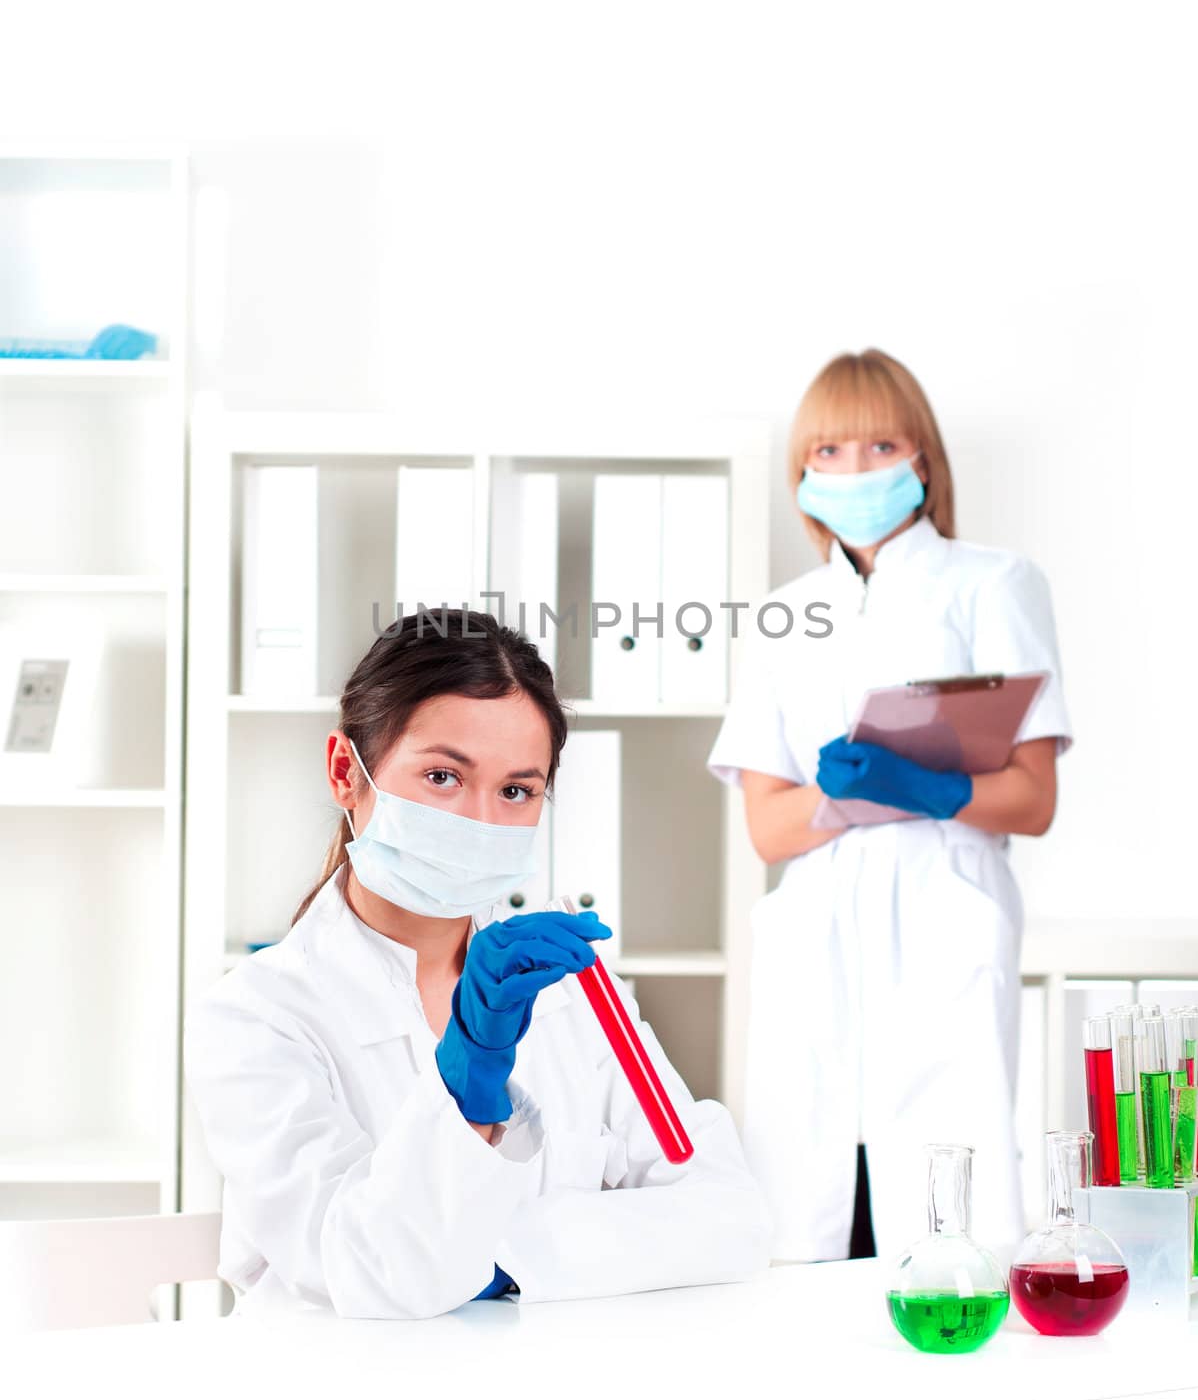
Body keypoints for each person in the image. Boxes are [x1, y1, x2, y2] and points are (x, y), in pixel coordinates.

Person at [185, 609, 771, 1319]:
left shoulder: (582, 990)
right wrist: (466, 1099)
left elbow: (732, 1219)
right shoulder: (257, 1018)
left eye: (516, 790)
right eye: (441, 776)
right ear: (347, 771)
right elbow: (372, 1272)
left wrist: (495, 1253)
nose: (478, 822)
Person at [706, 348, 1071, 1262]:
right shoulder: (786, 614)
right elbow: (766, 825)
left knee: (952, 1195)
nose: (855, 470)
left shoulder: (995, 582)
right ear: (802, 471)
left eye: (880, 445)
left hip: (944, 920)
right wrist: (844, 801)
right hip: (818, 934)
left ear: (922, 459)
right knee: (807, 1199)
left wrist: (931, 788)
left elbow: (1031, 799)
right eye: (828, 451)